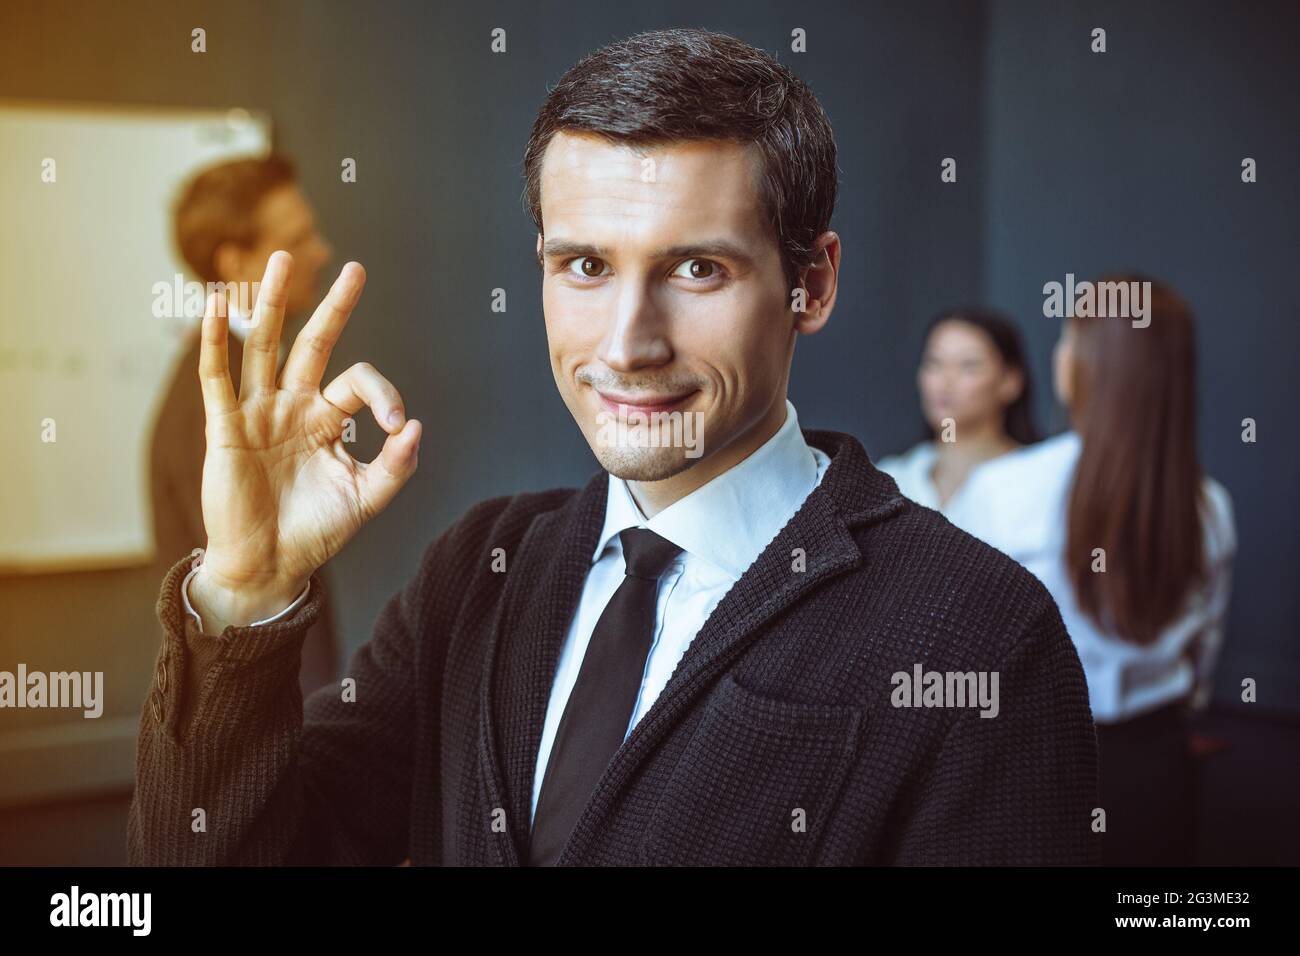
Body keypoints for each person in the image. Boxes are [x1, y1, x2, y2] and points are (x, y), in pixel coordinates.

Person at [128, 28, 1098, 867]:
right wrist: (246, 596)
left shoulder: (979, 633)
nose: (628, 343)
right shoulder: (479, 568)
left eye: (698, 267)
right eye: (585, 265)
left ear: (811, 284)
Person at [964, 275, 1235, 866]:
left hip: (1034, 767)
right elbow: (1202, 658)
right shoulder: (1211, 506)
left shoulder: (1003, 490)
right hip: (1159, 772)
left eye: (1068, 339)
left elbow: (959, 648)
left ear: (1084, 367)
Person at [150, 155, 341, 698]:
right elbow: (237, 601)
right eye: (299, 239)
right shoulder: (217, 405)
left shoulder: (246, 383)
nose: (321, 251)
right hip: (253, 712)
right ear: (236, 262)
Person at [876, 308, 1041, 522]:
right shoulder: (892, 479)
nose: (945, 382)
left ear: (1010, 381)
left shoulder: (1038, 478)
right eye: (934, 363)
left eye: (968, 365)